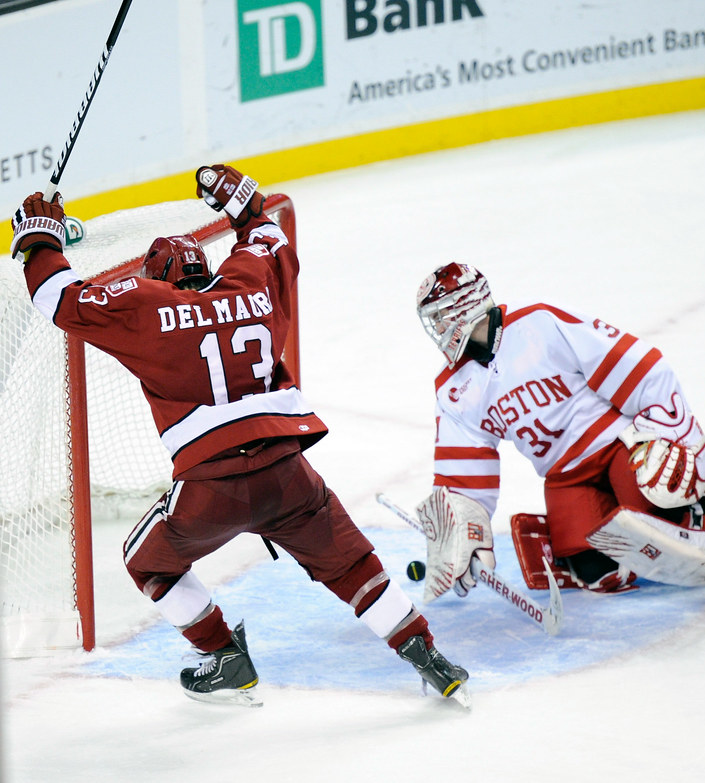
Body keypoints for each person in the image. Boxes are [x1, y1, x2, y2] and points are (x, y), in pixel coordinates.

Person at [10, 165, 469, 708]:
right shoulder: (248, 284)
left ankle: (223, 653)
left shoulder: (149, 308)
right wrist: (244, 208)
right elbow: (268, 239)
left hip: (213, 486)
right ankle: (427, 654)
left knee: (146, 558)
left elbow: (61, 299)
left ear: (159, 279)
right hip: (286, 469)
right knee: (349, 565)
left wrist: (40, 238)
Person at [411, 262, 705, 602]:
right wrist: (467, 541)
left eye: (437, 317)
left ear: (463, 308)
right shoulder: (454, 388)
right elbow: (463, 476)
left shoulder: (538, 323)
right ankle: (634, 544)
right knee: (593, 569)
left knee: (663, 510)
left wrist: (672, 434)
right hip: (564, 473)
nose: (435, 330)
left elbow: (634, 363)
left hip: (618, 446)